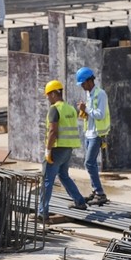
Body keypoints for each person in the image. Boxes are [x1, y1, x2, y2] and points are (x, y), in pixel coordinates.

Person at [40, 79, 89, 221]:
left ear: (55, 93)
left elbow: (52, 131)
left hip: (56, 148)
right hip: (68, 149)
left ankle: (42, 212)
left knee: (47, 180)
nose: (48, 98)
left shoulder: (54, 109)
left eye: (49, 95)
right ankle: (79, 201)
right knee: (63, 175)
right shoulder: (70, 109)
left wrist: (48, 150)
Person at [74, 67, 110, 206]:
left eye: (83, 83)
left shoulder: (101, 94)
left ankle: (100, 193)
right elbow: (91, 113)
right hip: (89, 133)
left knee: (88, 163)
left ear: (90, 81)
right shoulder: (89, 94)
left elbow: (100, 114)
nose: (82, 86)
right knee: (91, 163)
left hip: (96, 134)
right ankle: (95, 191)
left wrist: (86, 109)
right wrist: (84, 113)